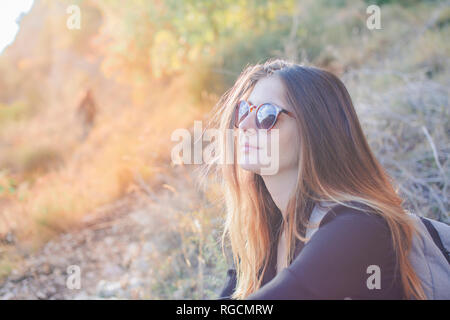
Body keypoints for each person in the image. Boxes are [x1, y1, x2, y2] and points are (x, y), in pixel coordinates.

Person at [200, 58, 428, 300]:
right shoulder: (267, 234)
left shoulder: (356, 227)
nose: (244, 125)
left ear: (314, 129)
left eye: (267, 115)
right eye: (243, 110)